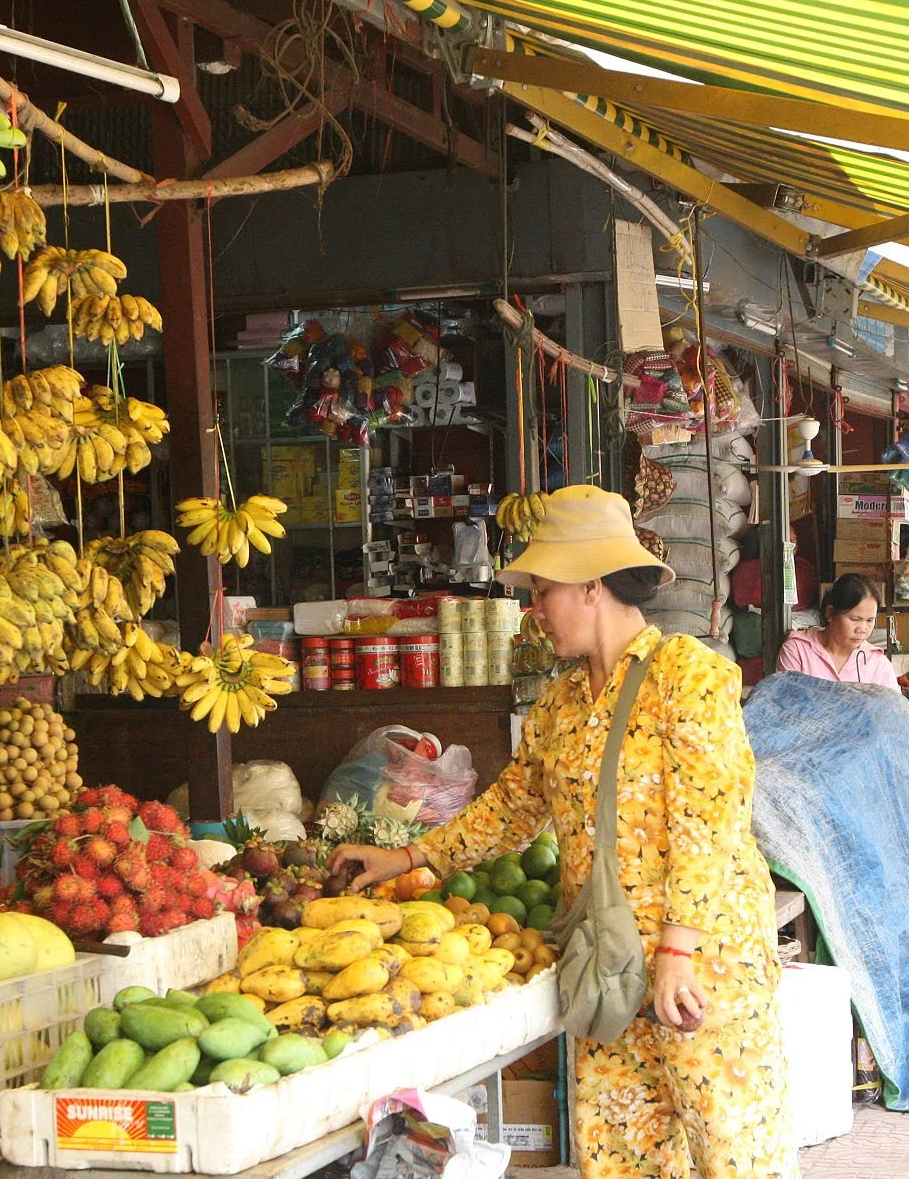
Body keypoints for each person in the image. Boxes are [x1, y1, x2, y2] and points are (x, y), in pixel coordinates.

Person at [332, 485, 797, 1179]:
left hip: (702, 965)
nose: (535, 609)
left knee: (732, 1148)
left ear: (590, 586)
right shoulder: (560, 703)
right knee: (620, 1153)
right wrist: (405, 855)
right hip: (605, 966)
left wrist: (678, 948)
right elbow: (513, 808)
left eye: (544, 589)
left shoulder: (690, 677)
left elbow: (712, 819)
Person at [776, 572, 899, 690]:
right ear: (830, 613)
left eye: (870, 620)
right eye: (855, 619)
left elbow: (893, 709)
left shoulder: (878, 664)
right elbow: (788, 704)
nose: (862, 629)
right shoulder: (798, 650)